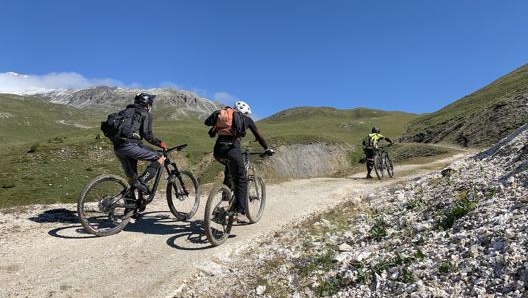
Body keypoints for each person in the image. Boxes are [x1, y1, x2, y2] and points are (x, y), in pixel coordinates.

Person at [204, 100, 274, 222]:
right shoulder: (246, 119)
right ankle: (240, 212)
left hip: (218, 151)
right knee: (241, 179)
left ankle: (225, 197)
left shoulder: (223, 118)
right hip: (232, 150)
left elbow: (211, 133)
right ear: (244, 112)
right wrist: (267, 148)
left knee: (229, 169)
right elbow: (259, 136)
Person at [113, 92, 168, 214]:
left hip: (118, 147)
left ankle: (131, 208)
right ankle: (143, 181)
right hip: (131, 146)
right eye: (150, 103)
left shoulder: (124, 112)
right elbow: (147, 135)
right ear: (147, 104)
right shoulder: (145, 113)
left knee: (132, 179)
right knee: (159, 157)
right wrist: (160, 143)